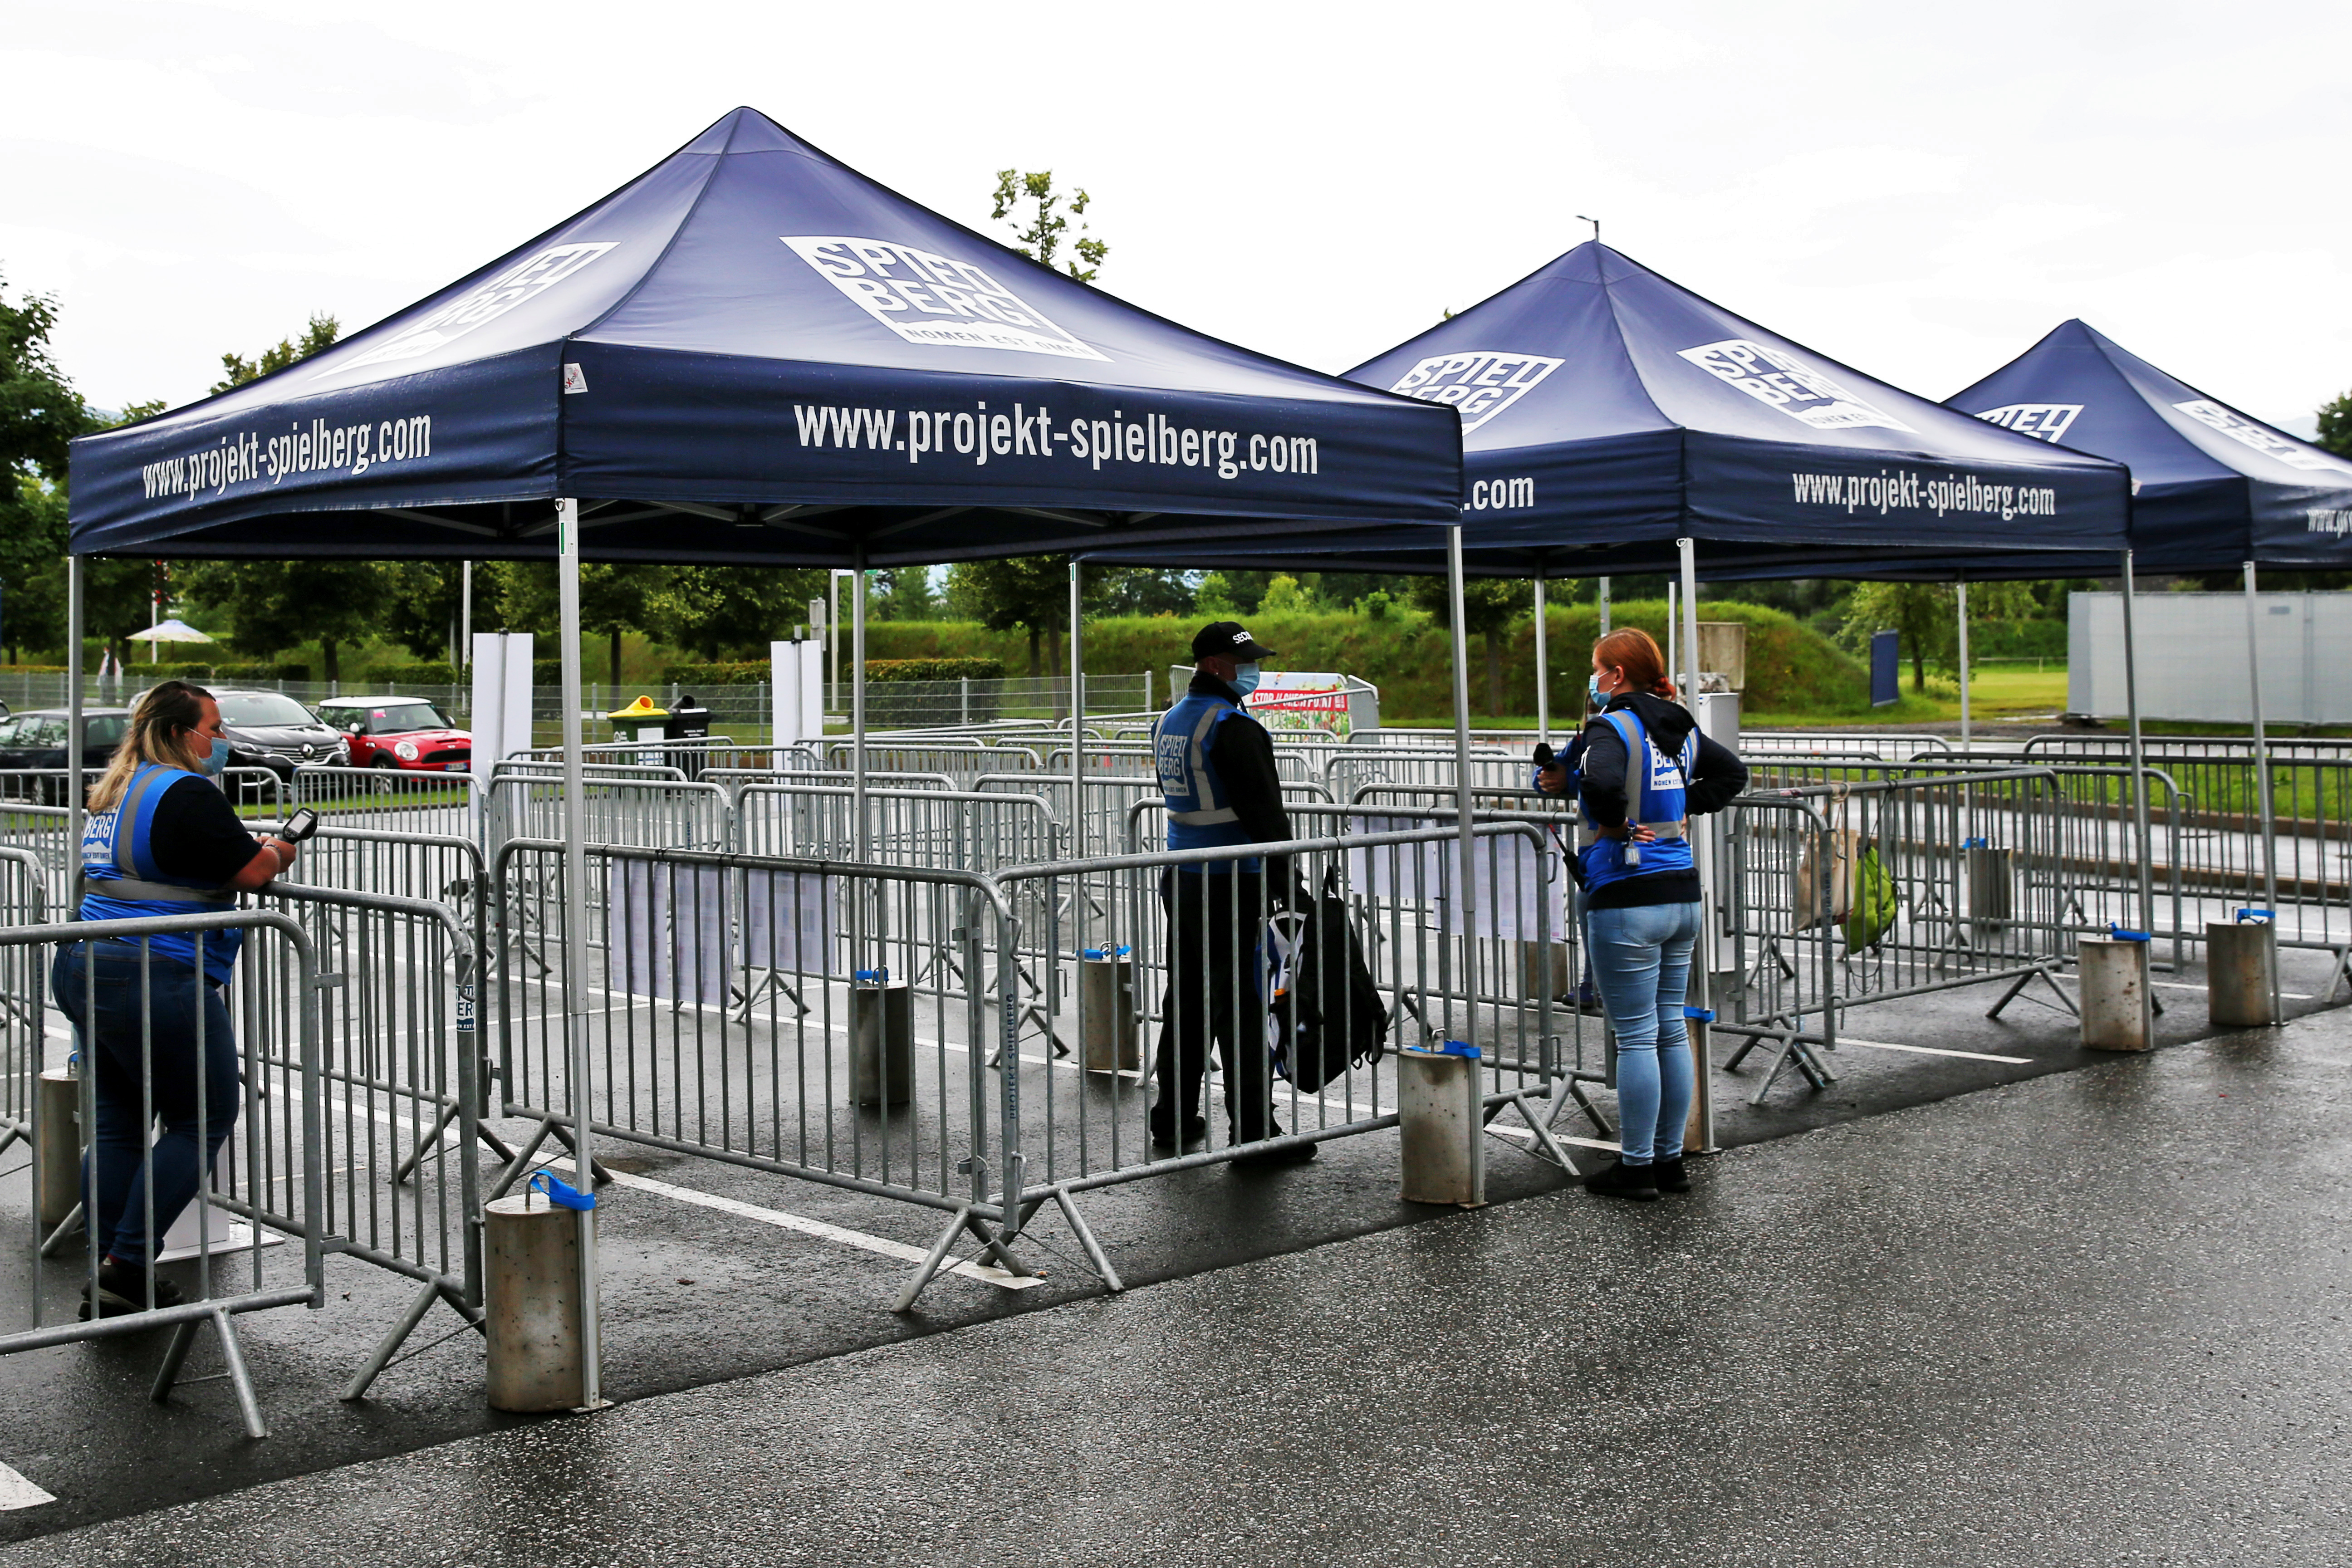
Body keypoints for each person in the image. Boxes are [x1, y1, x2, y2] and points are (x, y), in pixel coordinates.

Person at [54, 681, 299, 1318]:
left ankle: (110, 1266)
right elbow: (250, 871)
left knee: (117, 1123)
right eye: (213, 729)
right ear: (179, 732)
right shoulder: (186, 791)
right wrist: (280, 850)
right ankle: (129, 1265)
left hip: (89, 962)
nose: (219, 740)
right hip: (155, 972)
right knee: (202, 1117)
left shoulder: (118, 788)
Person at [1538, 630, 1746, 1201]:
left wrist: (1615, 824)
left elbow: (1605, 782)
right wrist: (1678, 804)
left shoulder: (1613, 726)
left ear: (1617, 676)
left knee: (1634, 1037)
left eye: (1596, 668)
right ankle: (1669, 1159)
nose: (1593, 678)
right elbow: (1732, 775)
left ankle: (1636, 1168)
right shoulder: (1676, 726)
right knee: (1668, 1027)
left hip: (1628, 892)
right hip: (1682, 892)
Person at [1149, 621, 1312, 1168]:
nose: (1254, 671)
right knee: (1242, 1003)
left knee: (1188, 998)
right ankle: (1253, 1131)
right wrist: (1293, 885)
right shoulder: (1234, 727)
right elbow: (1268, 815)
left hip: (1184, 874)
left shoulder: (1170, 721)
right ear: (1215, 664)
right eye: (1246, 662)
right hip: (1234, 879)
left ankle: (1172, 1115)